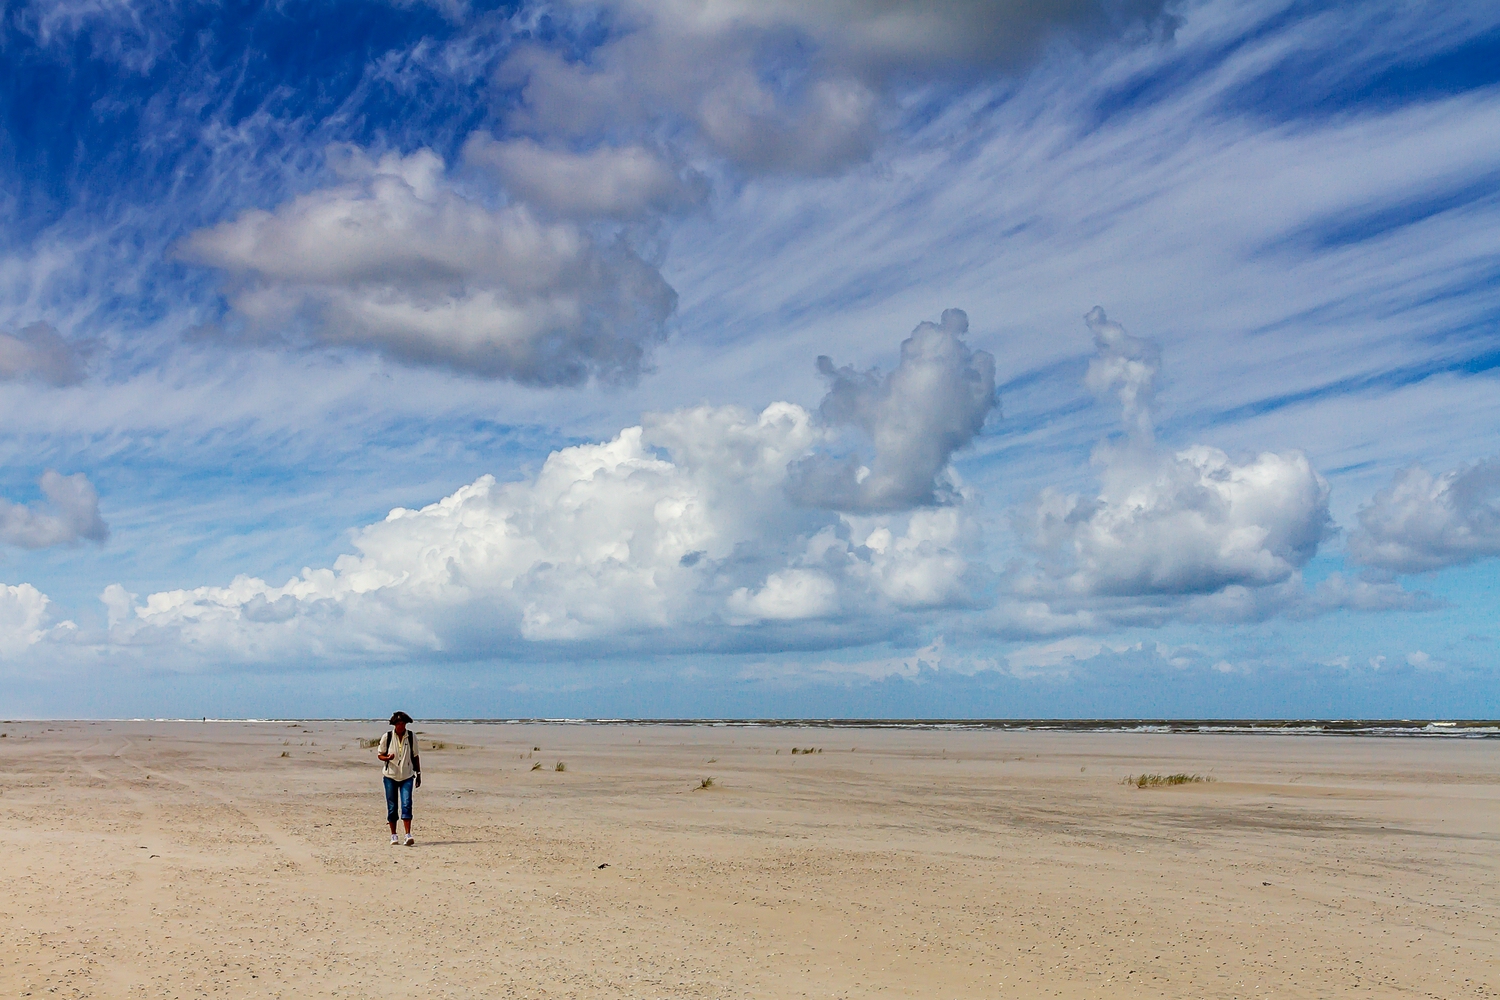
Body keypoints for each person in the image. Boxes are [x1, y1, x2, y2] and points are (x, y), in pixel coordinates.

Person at [377, 711, 421, 846]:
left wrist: (418, 773)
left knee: (407, 803)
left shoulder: (411, 737)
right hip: (390, 776)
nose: (400, 726)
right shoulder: (388, 737)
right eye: (398, 724)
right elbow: (380, 755)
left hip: (407, 776)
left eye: (402, 723)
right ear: (394, 725)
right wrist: (387, 758)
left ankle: (408, 834)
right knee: (392, 806)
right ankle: (394, 835)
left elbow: (415, 756)